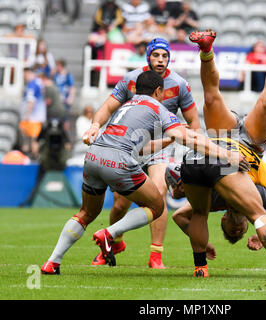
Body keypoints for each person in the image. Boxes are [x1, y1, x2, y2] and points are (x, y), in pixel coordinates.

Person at [41, 70, 248, 274]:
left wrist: (168, 140)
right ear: (159, 91)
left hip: (94, 155)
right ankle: (110, 233)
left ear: (137, 89)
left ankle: (52, 262)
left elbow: (140, 149)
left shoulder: (126, 106)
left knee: (86, 213)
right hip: (119, 160)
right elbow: (191, 139)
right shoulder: (158, 108)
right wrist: (227, 156)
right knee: (156, 206)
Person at [181, 23, 266, 280]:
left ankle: (206, 50)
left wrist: (178, 183)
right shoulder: (255, 199)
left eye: (231, 230)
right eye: (238, 231)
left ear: (222, 221)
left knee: (211, 98)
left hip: (220, 140)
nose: (235, 227)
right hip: (251, 145)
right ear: (246, 226)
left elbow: (181, 216)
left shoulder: (216, 202)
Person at [82, 38, 200, 269]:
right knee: (119, 204)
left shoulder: (180, 84)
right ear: (148, 57)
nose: (161, 60)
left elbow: (193, 119)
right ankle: (114, 243)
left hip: (161, 146)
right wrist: (95, 125)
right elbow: (107, 107)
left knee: (159, 192)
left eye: (165, 56)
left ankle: (156, 255)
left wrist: (191, 152)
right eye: (156, 55)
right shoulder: (130, 79)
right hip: (130, 147)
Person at [165, 162, 266, 254]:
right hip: (248, 160)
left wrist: (200, 241)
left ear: (224, 219)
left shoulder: (213, 201)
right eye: (240, 231)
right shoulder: (258, 198)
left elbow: (178, 216)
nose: (237, 229)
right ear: (248, 222)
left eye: (232, 231)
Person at [19, 68, 46, 160]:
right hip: (37, 117)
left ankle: (32, 159)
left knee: (31, 139)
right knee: (33, 139)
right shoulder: (38, 83)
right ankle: (33, 157)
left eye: (25, 75)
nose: (24, 77)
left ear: (29, 73)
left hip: (32, 118)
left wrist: (26, 115)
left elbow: (31, 102)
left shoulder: (32, 85)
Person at [53, 59, 76, 130]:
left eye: (58, 65)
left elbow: (72, 87)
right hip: (57, 99)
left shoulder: (68, 75)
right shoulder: (55, 75)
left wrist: (70, 98)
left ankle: (66, 134)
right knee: (56, 117)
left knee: (65, 118)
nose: (57, 67)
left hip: (65, 99)